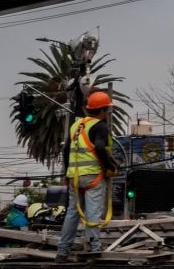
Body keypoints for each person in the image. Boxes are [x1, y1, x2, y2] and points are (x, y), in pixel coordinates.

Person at [55, 91, 118, 262]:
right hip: (92, 176)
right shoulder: (100, 126)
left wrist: (67, 174)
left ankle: (62, 252)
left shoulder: (76, 126)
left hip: (74, 177)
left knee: (72, 214)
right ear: (103, 110)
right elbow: (98, 147)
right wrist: (109, 166)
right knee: (92, 213)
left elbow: (66, 150)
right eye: (107, 109)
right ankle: (94, 248)